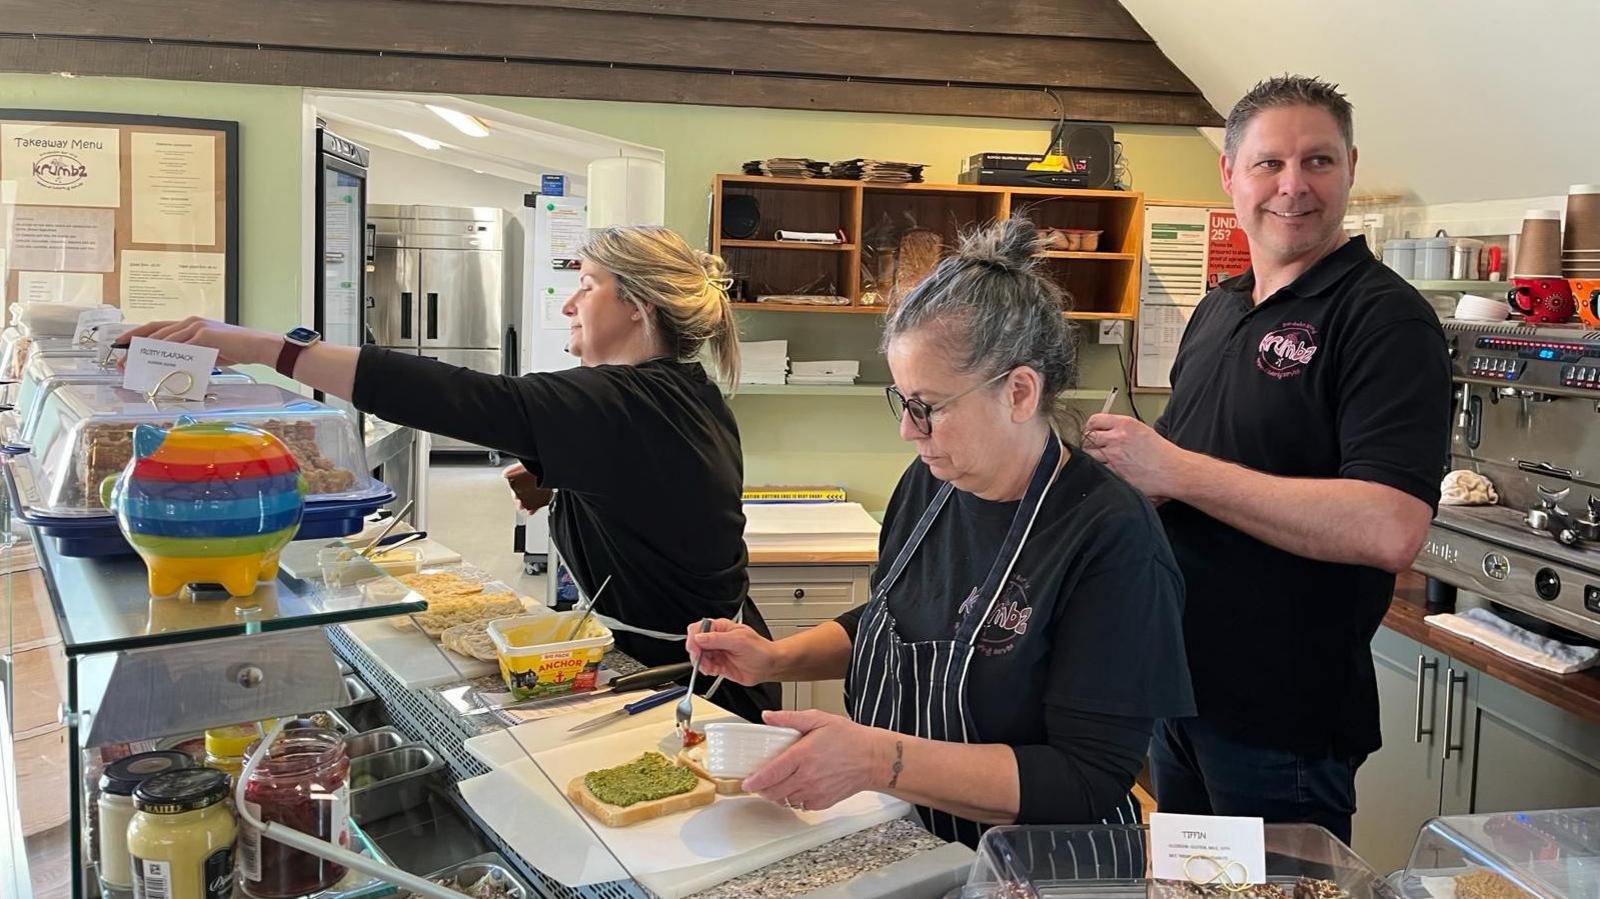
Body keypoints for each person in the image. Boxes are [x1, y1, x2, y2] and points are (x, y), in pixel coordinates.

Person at [122, 225, 781, 721]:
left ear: (639, 306)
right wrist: (561, 480)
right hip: (685, 664)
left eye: (587, 284)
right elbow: (653, 483)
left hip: (699, 687)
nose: (569, 304)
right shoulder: (672, 394)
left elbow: (463, 396)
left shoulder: (625, 402)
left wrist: (266, 347)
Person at [686, 217, 1194, 852]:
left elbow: (1086, 778)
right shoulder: (929, 486)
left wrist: (879, 760)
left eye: (928, 406)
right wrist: (778, 657)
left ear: (1018, 391)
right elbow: (896, 618)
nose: (908, 431)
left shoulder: (1112, 540)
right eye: (903, 403)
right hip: (913, 840)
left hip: (1035, 868)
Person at [1082, 75, 1451, 842]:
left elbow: (1390, 527)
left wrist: (1175, 470)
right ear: (1229, 175)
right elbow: (1196, 480)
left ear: (1350, 166)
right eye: (1268, 164)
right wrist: (1130, 484)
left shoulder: (1385, 320)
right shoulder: (1220, 308)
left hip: (1284, 727)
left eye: (1317, 161)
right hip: (1180, 696)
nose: (1293, 186)